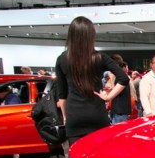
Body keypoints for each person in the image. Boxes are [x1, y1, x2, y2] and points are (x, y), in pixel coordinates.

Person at [55, 16, 128, 146]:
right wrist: (108, 97)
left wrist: (65, 116)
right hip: (97, 113)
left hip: (74, 115)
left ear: (71, 35)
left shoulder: (62, 59)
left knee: (77, 156)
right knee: (100, 155)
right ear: (91, 35)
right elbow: (123, 78)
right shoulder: (100, 57)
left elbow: (62, 95)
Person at [0, 85, 23, 158]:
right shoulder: (6, 98)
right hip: (8, 123)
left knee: (10, 139)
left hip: (13, 124)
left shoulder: (12, 98)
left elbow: (12, 112)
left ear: (2, 92)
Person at [106, 54, 132, 124]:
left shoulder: (121, 77)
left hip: (120, 112)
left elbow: (116, 91)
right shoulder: (121, 76)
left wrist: (111, 78)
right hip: (119, 111)